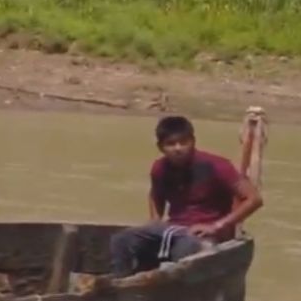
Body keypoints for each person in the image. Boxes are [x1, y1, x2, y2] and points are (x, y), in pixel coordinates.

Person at [110, 115, 263, 276]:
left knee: (185, 247)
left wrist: (217, 226)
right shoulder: (160, 168)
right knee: (121, 240)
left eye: (183, 142)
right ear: (161, 147)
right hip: (174, 228)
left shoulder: (216, 166)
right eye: (171, 144)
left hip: (205, 234)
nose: (178, 148)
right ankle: (121, 284)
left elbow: (254, 199)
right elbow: (155, 194)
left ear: (193, 142)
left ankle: (172, 289)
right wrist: (155, 221)